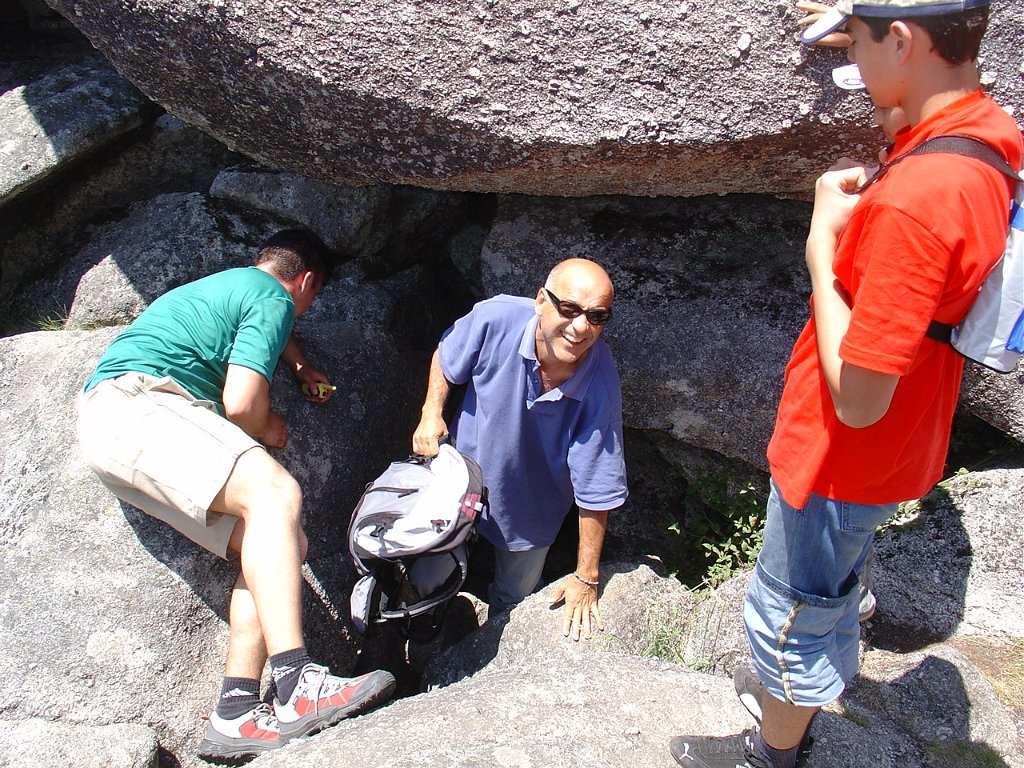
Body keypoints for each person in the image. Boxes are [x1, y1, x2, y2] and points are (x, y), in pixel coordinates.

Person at [669, 1, 1022, 767]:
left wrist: (822, 249)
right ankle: (794, 683)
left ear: (904, 39)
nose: (851, 63)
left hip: (839, 456)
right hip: (901, 441)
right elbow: (906, 98)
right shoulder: (985, 133)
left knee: (792, 606)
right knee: (832, 581)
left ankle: (775, 748)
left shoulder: (918, 200)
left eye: (859, 44)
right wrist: (863, 24)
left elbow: (858, 402)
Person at [77, 229, 397, 762]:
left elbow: (268, 329)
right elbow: (243, 403)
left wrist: (297, 364)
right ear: (306, 282)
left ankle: (236, 709)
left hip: (112, 432)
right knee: (276, 491)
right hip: (139, 406)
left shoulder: (234, 288)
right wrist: (267, 427)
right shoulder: (272, 297)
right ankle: (297, 682)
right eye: (309, 299)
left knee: (278, 541)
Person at [412, 258, 628, 641]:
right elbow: (447, 355)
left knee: (515, 602)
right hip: (461, 483)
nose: (581, 327)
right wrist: (431, 413)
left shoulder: (599, 378)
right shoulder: (495, 319)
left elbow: (597, 483)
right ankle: (422, 639)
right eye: (569, 309)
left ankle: (488, 656)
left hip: (533, 506)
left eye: (597, 316)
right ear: (541, 300)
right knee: (426, 579)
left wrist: (586, 577)